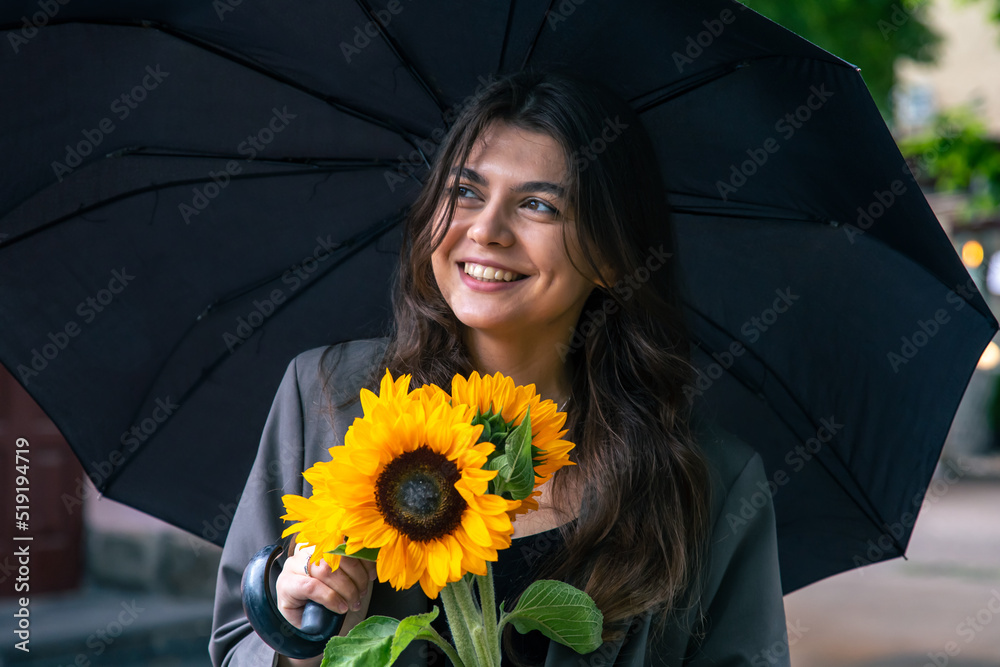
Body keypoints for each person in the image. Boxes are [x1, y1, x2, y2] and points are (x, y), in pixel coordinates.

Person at [209, 68, 789, 667]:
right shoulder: (327, 399)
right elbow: (234, 649)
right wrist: (302, 639)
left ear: (614, 258)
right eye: (465, 192)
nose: (486, 231)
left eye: (538, 204)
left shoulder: (709, 482)